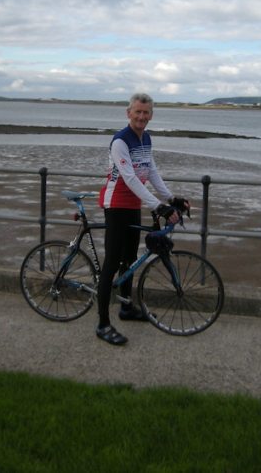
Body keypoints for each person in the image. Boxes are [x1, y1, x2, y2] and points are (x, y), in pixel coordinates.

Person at [96, 93, 188, 346]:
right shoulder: (120, 141)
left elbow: (151, 171)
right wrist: (157, 206)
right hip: (116, 205)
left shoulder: (146, 138)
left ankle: (126, 308)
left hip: (134, 204)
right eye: (137, 112)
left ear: (151, 115)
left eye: (146, 113)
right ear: (129, 113)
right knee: (112, 263)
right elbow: (130, 178)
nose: (142, 116)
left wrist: (171, 199)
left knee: (130, 258)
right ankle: (103, 324)